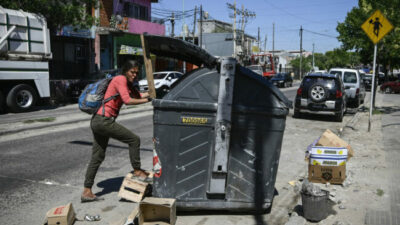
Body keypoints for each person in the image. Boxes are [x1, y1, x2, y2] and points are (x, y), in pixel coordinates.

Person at [81, 60, 152, 202]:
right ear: (125, 70)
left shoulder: (127, 84)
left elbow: (138, 96)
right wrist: (147, 101)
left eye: (137, 73)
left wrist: (152, 94)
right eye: (132, 72)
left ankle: (86, 191)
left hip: (99, 121)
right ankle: (137, 170)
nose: (134, 75)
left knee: (98, 156)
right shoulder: (120, 79)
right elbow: (127, 100)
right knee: (134, 139)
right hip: (103, 120)